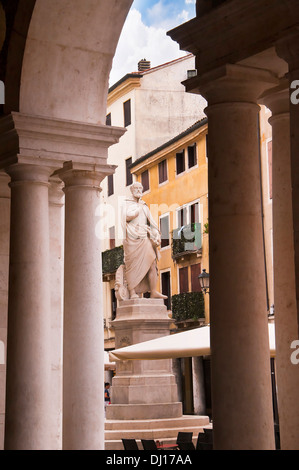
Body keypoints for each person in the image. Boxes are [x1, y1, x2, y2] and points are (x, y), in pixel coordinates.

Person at [121, 182, 167, 300]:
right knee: (132, 266)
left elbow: (152, 223)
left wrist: (156, 234)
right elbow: (125, 217)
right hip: (132, 239)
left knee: (152, 263)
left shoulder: (144, 205)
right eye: (136, 188)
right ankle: (132, 292)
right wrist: (135, 212)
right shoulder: (126, 203)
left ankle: (153, 291)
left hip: (144, 238)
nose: (138, 190)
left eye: (140, 188)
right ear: (131, 190)